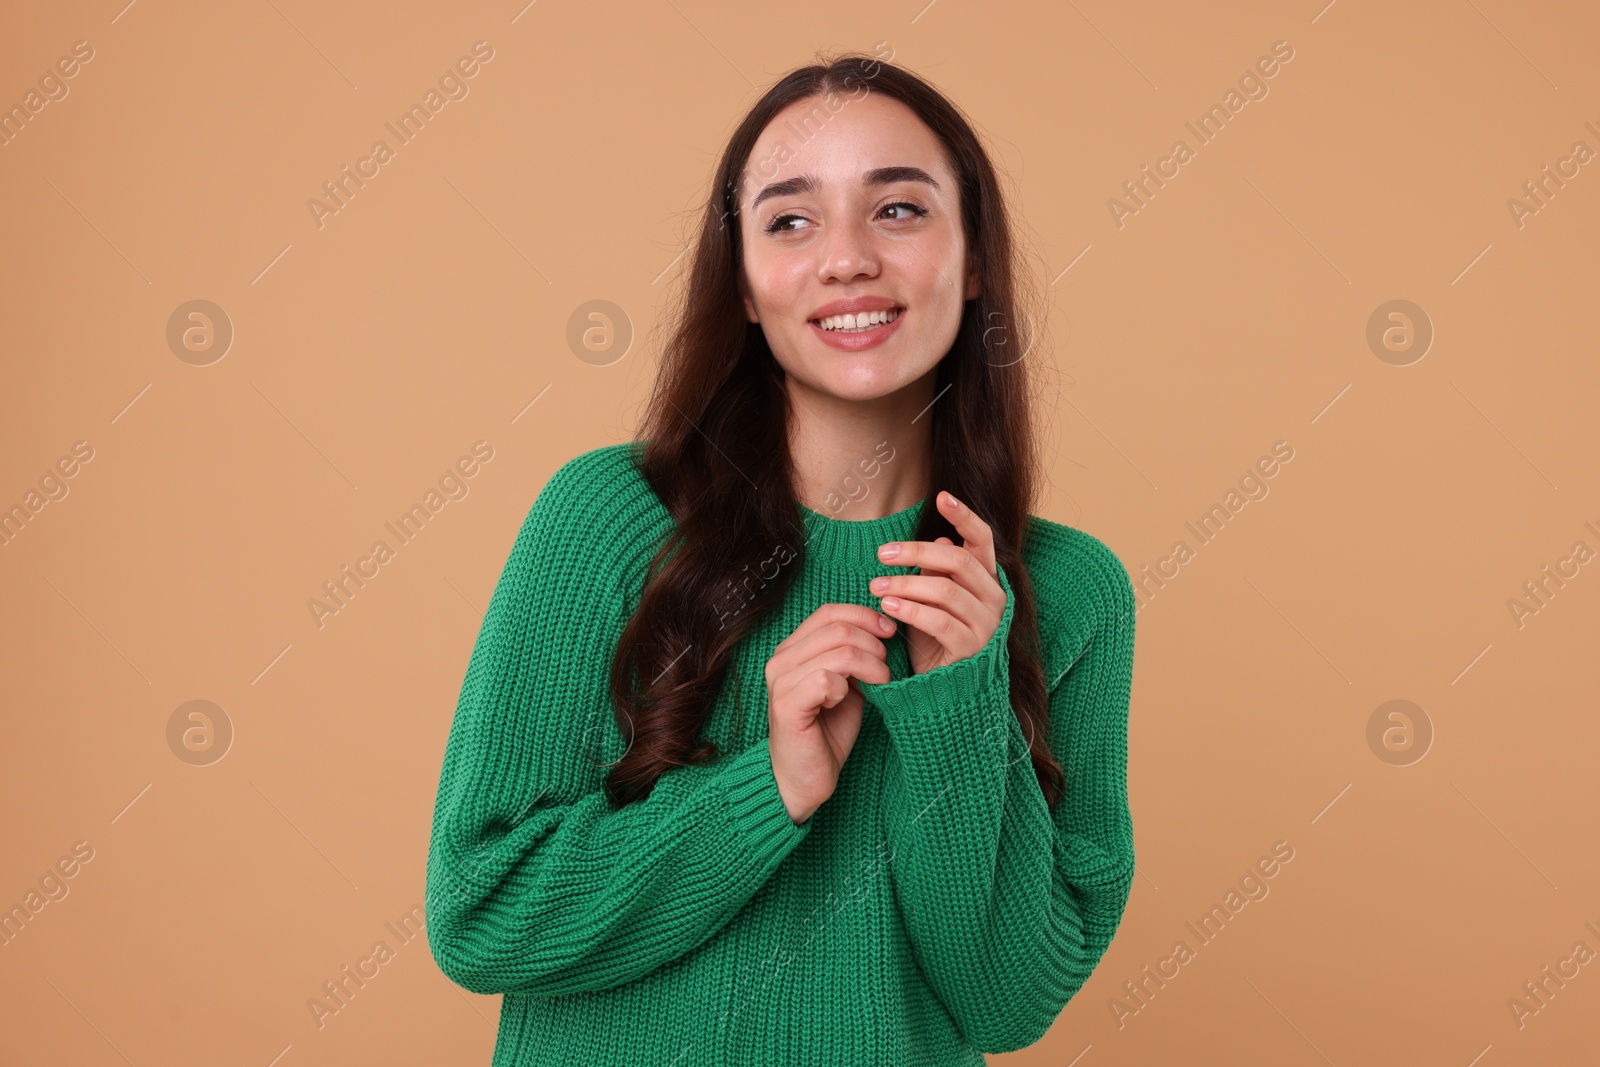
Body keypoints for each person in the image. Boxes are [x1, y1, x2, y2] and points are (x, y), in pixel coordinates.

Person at [424, 52, 1137, 1066]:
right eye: (790, 220)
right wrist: (771, 785)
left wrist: (954, 709)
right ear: (747, 288)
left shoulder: (1067, 593)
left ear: (974, 257)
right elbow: (482, 917)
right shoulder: (608, 517)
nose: (846, 259)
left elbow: (1008, 1003)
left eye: (897, 209)